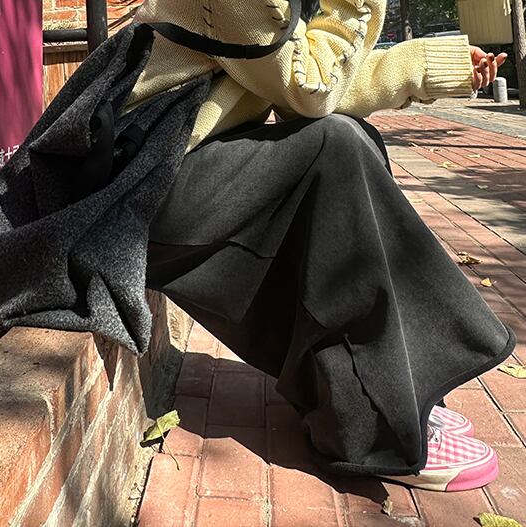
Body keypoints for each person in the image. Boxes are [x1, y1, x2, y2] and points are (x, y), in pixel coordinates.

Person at [129, 0, 515, 491]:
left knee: (353, 137)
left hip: (175, 172)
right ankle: (375, 424)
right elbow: (310, 90)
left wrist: (428, 66)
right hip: (138, 191)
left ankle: (385, 388)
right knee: (335, 146)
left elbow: (309, 87)